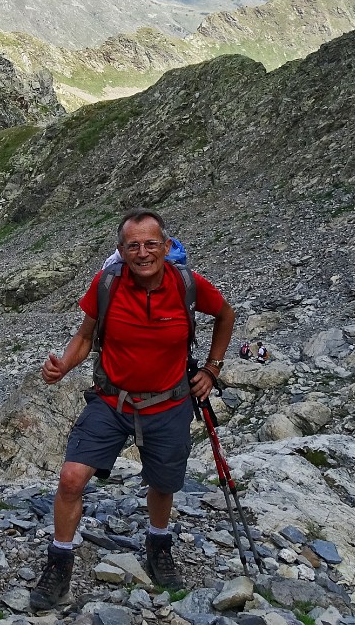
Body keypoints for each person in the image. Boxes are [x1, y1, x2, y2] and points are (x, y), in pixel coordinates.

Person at [33, 209, 236, 607]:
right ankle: (59, 562)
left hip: (169, 402)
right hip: (112, 400)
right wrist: (64, 365)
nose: (143, 252)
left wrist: (212, 369)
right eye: (133, 245)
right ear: (121, 250)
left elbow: (225, 314)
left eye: (150, 243)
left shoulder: (187, 285)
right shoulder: (107, 284)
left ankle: (158, 544)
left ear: (166, 246)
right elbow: (85, 335)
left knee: (163, 484)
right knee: (72, 478)